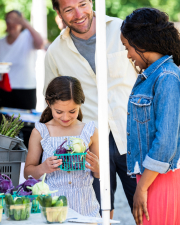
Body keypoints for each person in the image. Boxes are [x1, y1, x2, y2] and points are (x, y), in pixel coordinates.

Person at [44, 0, 137, 218]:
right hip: (88, 144)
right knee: (100, 211)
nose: (79, 14)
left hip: (133, 134)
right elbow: (52, 102)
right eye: (68, 9)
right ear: (58, 13)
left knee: (145, 208)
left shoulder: (121, 30)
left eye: (83, 4)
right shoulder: (55, 53)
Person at [121, 8, 180, 225]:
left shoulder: (166, 78)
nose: (128, 54)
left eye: (128, 47)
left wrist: (142, 188)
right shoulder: (154, 76)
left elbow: (165, 143)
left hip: (159, 179)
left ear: (142, 43)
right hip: (151, 177)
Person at [24, 76, 100, 216]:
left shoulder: (90, 132)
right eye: (59, 112)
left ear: (80, 105)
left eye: (72, 111)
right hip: (51, 209)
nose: (65, 117)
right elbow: (27, 172)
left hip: (86, 207)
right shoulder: (40, 132)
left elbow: (100, 174)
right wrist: (43, 168)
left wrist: (97, 167)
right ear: (48, 103)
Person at [0, 10, 43, 117]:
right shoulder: (0, 43)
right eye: (8, 20)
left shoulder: (28, 37)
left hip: (25, 90)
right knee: (3, 126)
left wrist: (26, 23)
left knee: (25, 126)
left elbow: (40, 43)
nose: (11, 23)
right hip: (2, 90)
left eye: (15, 20)